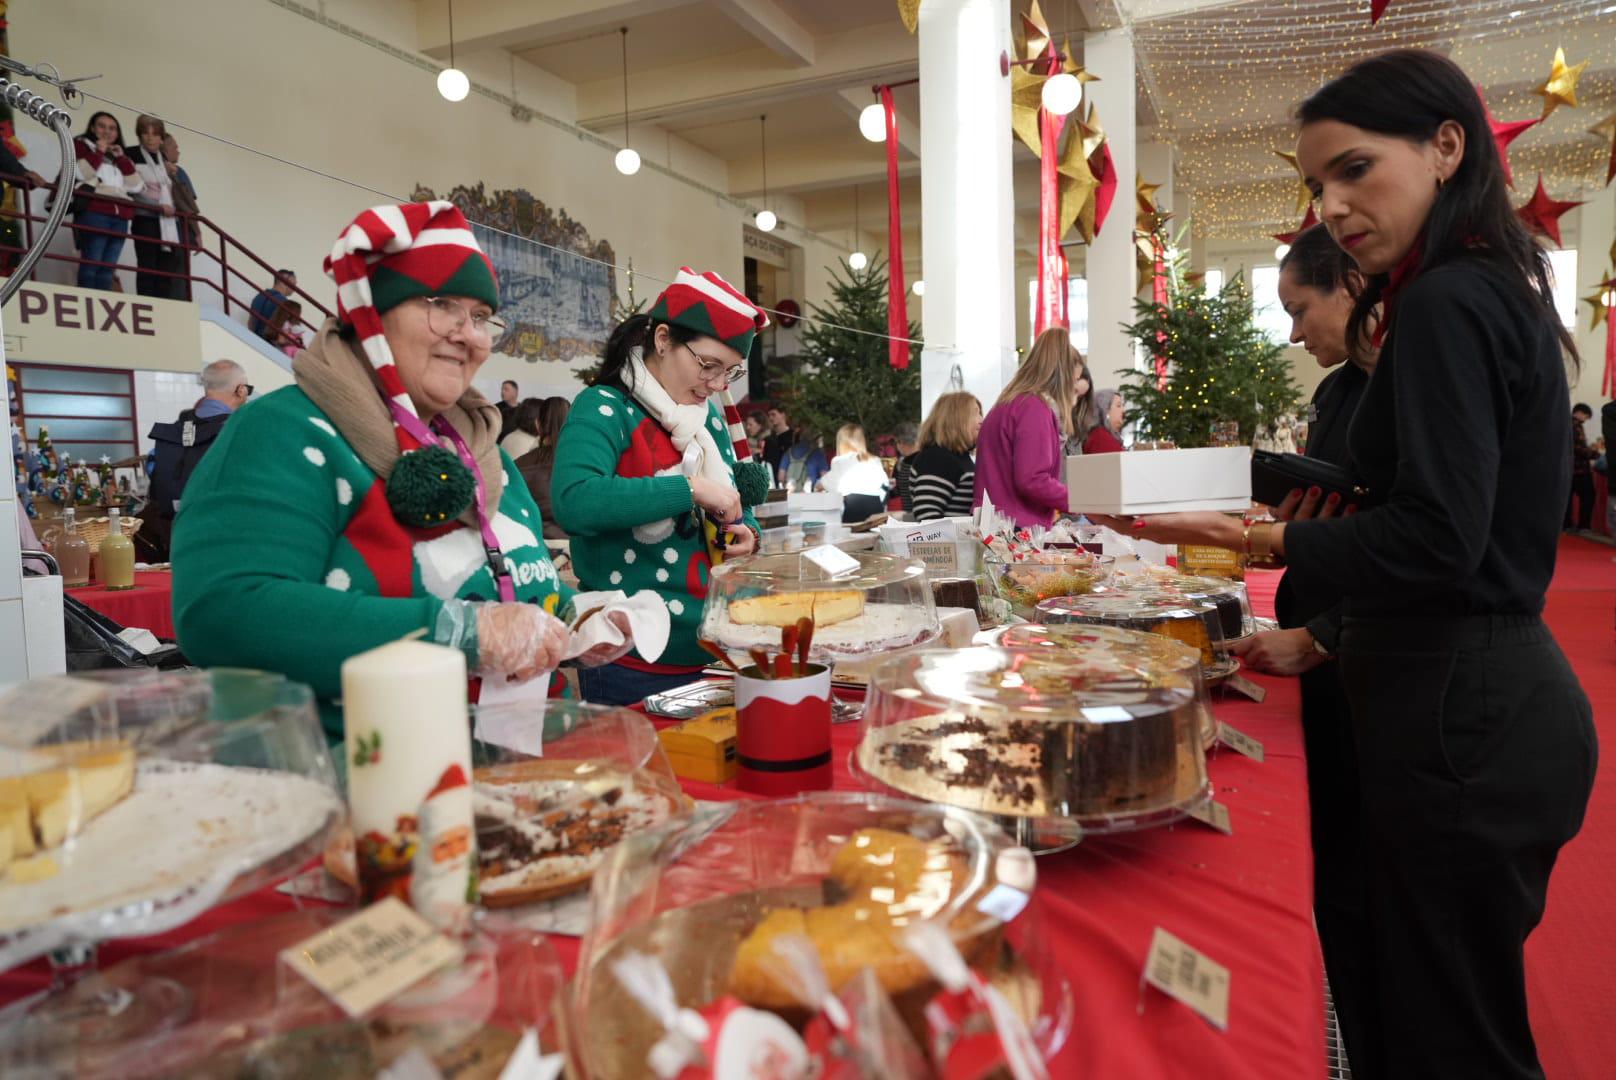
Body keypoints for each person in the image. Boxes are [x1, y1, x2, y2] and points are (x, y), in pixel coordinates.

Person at [1119, 50, 1596, 1078]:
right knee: (1422, 1008)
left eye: (1354, 170)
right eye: (1316, 185)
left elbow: (1438, 538)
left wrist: (1251, 538)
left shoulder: (1447, 299)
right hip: (1468, 691)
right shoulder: (1472, 287)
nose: (1332, 206)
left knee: (1446, 1038)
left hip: (1462, 706)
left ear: (1445, 147)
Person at [173, 202, 631, 738]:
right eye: (444, 307)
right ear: (373, 315)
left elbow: (511, 587)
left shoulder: (486, 453)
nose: (469, 335)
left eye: (481, 317)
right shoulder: (282, 431)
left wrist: (576, 619)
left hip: (521, 763)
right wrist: (459, 633)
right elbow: (224, 613)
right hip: (358, 772)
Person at [1227, 221, 1377, 1060]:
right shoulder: (1338, 392)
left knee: (1367, 889)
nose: (1293, 333)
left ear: (1351, 286)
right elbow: (1339, 521)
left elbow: (1428, 544)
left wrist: (1322, 636)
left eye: (1298, 310)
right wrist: (1294, 524)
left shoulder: (1404, 383)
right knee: (1342, 878)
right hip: (1326, 645)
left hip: (1369, 661)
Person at [552, 266, 768, 707]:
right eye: (707, 365)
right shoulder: (605, 407)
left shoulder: (708, 422)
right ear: (663, 339)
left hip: (717, 652)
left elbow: (729, 505)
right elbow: (575, 500)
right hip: (631, 661)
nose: (716, 385)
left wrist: (747, 533)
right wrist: (689, 490)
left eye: (730, 372)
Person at [143, 359, 251, 561]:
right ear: (241, 390)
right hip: (230, 538)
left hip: (178, 537)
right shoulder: (241, 430)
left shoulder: (174, 432)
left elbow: (153, 469)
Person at [973, 327, 1081, 526]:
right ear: (1063, 376)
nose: (1076, 389)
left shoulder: (1009, 403)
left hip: (995, 521)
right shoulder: (1033, 408)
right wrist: (1081, 501)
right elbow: (1032, 479)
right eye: (1074, 380)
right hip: (1015, 525)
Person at [71, 111, 140, 291]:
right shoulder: (81, 145)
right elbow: (80, 173)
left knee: (108, 271)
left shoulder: (119, 154)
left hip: (120, 218)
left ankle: (101, 303)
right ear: (92, 128)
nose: (107, 131)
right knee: (91, 265)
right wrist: (99, 152)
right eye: (102, 126)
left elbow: (136, 186)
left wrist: (121, 158)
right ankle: (87, 302)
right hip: (95, 212)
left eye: (112, 128)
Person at [125, 115, 182, 300]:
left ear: (161, 138)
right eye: (145, 133)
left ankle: (162, 307)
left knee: (166, 270)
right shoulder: (131, 154)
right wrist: (157, 206)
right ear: (139, 135)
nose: (150, 138)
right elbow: (133, 187)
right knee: (148, 268)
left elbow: (168, 189)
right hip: (145, 219)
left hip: (168, 222)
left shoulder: (163, 158)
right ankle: (146, 306)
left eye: (155, 134)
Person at [909, 392, 981, 522]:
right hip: (949, 536)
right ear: (956, 418)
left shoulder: (957, 457)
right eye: (976, 413)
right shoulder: (938, 458)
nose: (982, 420)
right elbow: (927, 514)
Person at [514, 397, 571, 542]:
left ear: (538, 425)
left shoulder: (518, 466)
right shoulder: (588, 464)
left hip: (537, 546)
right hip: (579, 547)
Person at [823, 423, 889, 523]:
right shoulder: (875, 460)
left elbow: (830, 486)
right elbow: (885, 486)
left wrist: (821, 483)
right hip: (876, 508)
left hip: (851, 509)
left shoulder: (839, 461)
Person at [161, 133, 199, 300]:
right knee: (179, 277)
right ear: (165, 149)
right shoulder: (179, 172)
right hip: (178, 232)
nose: (178, 151)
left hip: (160, 230)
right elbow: (189, 205)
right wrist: (197, 233)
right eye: (175, 147)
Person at [1567, 402, 1597, 532]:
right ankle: (1583, 525)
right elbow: (1578, 448)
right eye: (1586, 416)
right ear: (1579, 413)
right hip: (1580, 469)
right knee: (1588, 496)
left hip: (1568, 468)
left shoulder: (1566, 423)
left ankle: (1566, 524)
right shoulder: (1575, 425)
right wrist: (1595, 454)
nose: (1585, 420)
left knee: (1567, 498)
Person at [779, 426, 829, 493]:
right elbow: (825, 478)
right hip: (808, 496)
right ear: (816, 439)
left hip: (790, 494)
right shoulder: (818, 453)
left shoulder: (788, 452)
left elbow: (781, 477)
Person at [249, 270, 297, 338]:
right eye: (293, 284)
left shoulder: (259, 296)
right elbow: (284, 332)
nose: (294, 289)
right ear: (283, 282)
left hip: (251, 337)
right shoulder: (284, 303)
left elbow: (250, 323)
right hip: (267, 341)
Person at [1083, 389, 1127, 454]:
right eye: (1118, 406)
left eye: (1123, 406)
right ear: (1105, 411)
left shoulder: (1104, 434)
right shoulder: (1100, 437)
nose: (1123, 410)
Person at [891, 420, 920, 514]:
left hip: (914, 516)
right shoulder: (906, 461)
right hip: (913, 515)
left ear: (901, 442)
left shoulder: (910, 462)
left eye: (896, 442)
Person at [763, 403, 795, 475]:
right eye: (769, 415)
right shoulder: (768, 440)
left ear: (783, 415)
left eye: (773, 414)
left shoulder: (793, 436)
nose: (770, 418)